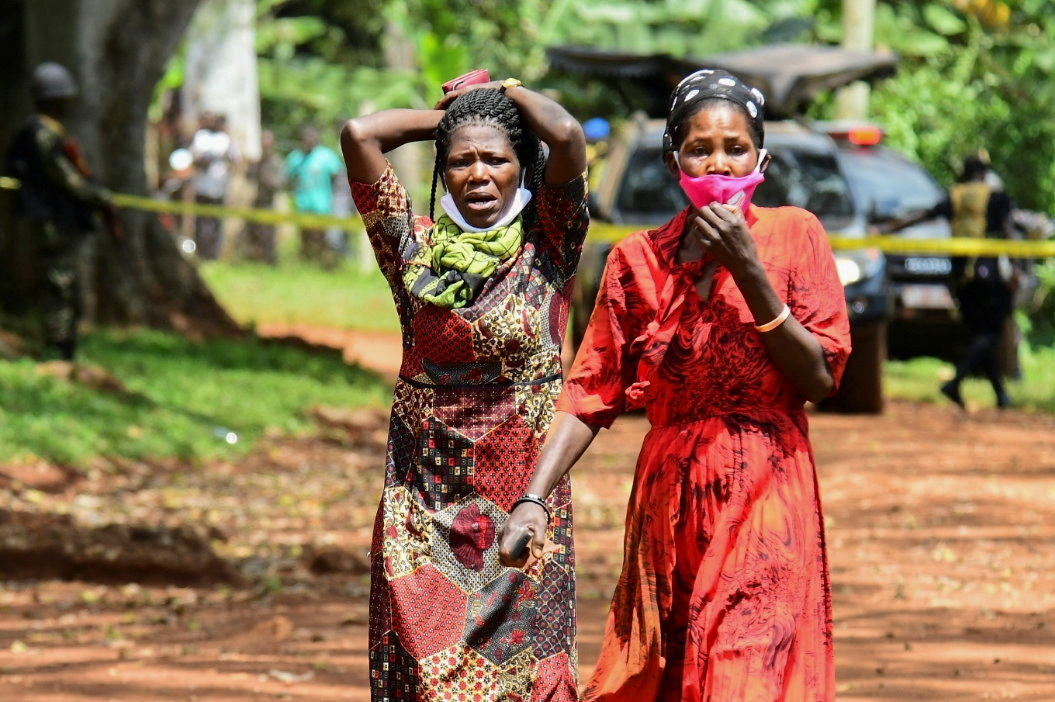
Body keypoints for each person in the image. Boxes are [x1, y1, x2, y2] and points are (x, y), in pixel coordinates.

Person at [498, 69, 851, 701]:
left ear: (761, 158)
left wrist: (749, 269)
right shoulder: (637, 260)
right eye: (700, 149)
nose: (719, 162)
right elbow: (590, 392)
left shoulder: (797, 236)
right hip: (669, 503)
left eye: (735, 148)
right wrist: (532, 499)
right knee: (666, 677)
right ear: (673, 159)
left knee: (744, 670)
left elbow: (819, 377)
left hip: (768, 491)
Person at [341, 76, 588, 701]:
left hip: (525, 500)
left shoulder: (549, 242)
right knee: (425, 674)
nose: (479, 174)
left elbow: (565, 135)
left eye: (496, 159)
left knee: (523, 676)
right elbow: (360, 135)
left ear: (521, 165)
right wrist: (449, 120)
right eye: (461, 161)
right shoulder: (413, 251)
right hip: (420, 504)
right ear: (442, 171)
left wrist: (507, 97)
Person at [883, 154, 1016, 409]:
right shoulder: (996, 197)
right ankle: (956, 381)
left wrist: (886, 230)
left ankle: (1000, 395)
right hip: (989, 272)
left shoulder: (955, 196)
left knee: (979, 333)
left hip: (960, 276)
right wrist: (1018, 267)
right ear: (985, 174)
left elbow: (922, 215)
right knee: (990, 333)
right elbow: (1008, 231)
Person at [7, 62, 120, 361]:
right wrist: (100, 197)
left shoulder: (47, 132)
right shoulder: (42, 134)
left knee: (64, 283)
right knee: (59, 284)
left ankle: (63, 342)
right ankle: (57, 346)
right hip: (51, 221)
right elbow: (67, 180)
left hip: (57, 219)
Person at [285, 126, 343, 266]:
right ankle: (306, 263)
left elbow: (336, 175)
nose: (308, 141)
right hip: (302, 204)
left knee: (320, 236)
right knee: (304, 236)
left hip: (321, 205)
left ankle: (320, 263)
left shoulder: (326, 156)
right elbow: (287, 177)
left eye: (310, 138)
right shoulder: (296, 157)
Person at [189, 112, 238, 260]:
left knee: (216, 223)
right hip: (202, 187)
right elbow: (192, 158)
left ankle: (213, 255)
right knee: (201, 222)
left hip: (219, 188)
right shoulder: (201, 137)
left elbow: (235, 159)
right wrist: (204, 160)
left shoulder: (226, 139)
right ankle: (201, 253)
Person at [241, 129, 283, 264]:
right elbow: (248, 177)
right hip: (256, 203)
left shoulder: (276, 161)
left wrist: (266, 178)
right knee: (252, 234)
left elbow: (278, 184)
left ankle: (271, 262)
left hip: (269, 204)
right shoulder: (257, 162)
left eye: (267, 140)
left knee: (268, 236)